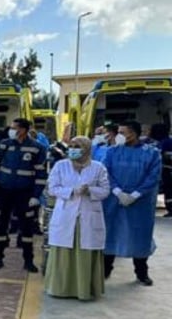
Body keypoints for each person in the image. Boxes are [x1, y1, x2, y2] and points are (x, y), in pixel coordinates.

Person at [44, 136, 109, 300]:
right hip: (66, 214)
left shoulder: (98, 167)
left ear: (87, 149)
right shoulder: (60, 166)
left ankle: (84, 289)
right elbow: (52, 188)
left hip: (88, 215)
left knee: (85, 251)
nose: (73, 148)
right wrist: (71, 191)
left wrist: (90, 191)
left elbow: (105, 190)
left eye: (77, 146)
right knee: (64, 251)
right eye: (71, 146)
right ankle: (61, 288)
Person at [0, 118, 47, 272]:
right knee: (0, 225)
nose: (11, 130)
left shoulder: (37, 148)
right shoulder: (5, 144)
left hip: (25, 194)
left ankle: (28, 260)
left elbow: (41, 174)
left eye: (14, 127)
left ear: (23, 129)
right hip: (4, 192)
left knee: (26, 228)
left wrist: (35, 196)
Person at [103, 121, 162, 286]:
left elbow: (153, 176)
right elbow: (105, 172)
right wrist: (117, 192)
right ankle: (105, 269)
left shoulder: (151, 153)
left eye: (123, 131)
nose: (119, 134)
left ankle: (141, 272)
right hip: (115, 200)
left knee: (140, 235)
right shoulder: (112, 152)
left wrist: (135, 194)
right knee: (111, 233)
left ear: (134, 133)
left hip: (140, 202)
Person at [149, 124, 172, 218]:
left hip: (168, 170)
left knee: (169, 190)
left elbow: (159, 156)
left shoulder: (163, 143)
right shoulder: (167, 141)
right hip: (167, 169)